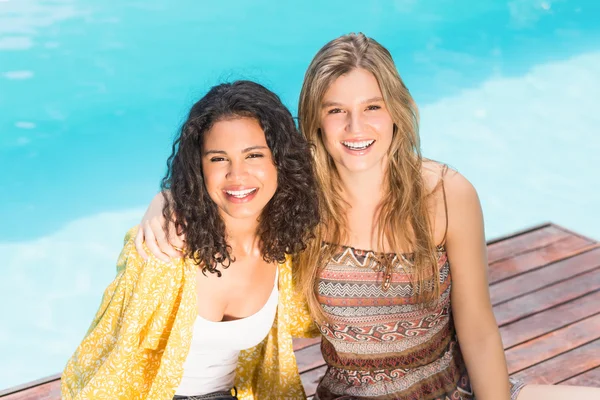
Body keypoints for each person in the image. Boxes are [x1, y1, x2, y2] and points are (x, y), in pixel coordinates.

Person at [137, 34, 600, 399]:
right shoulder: (297, 199)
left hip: (452, 390)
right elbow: (232, 184)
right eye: (337, 111)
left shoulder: (445, 193)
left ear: (395, 112)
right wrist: (169, 200)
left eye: (371, 108)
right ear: (316, 120)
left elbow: (477, 327)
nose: (355, 129)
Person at [61, 80, 320, 400]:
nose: (237, 176)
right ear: (198, 166)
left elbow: (310, 321)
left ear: (279, 160)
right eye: (218, 158)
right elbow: (107, 367)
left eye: (253, 155)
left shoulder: (283, 243)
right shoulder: (163, 246)